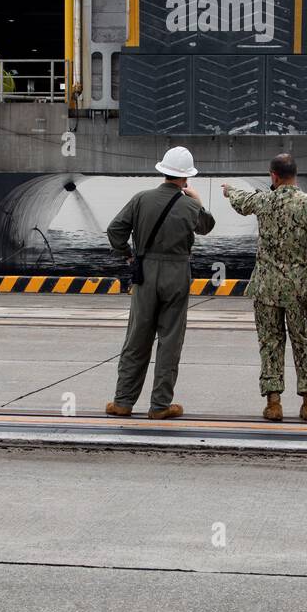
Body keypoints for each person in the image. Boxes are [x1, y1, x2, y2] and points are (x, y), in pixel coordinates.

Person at [222, 154, 307, 423]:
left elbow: (241, 202)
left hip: (266, 289)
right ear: (294, 174)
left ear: (273, 176)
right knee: (304, 342)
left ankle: (274, 404)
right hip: (301, 289)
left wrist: (228, 190)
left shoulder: (264, 201)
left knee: (271, 344)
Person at [105, 146, 215, 420]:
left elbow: (115, 230)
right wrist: (198, 201)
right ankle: (160, 405)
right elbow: (206, 227)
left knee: (137, 338)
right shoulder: (190, 205)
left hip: (145, 271)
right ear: (186, 179)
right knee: (170, 340)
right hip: (177, 273)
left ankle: (123, 401)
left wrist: (128, 254)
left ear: (163, 171)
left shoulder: (141, 199)